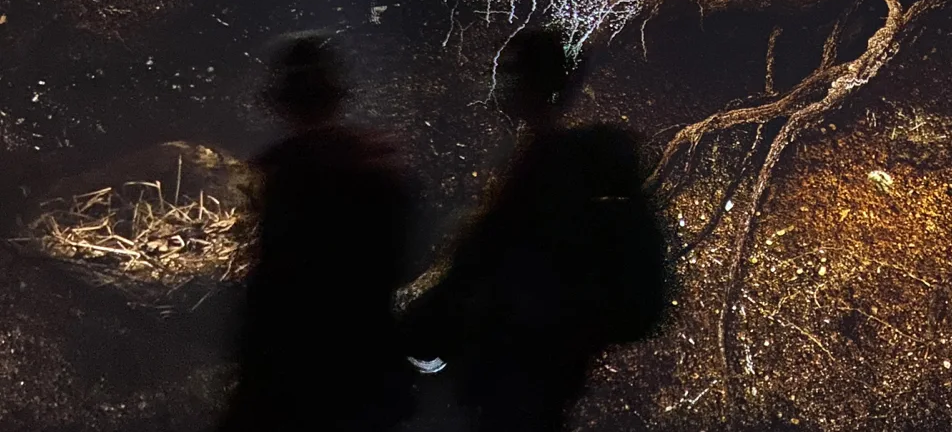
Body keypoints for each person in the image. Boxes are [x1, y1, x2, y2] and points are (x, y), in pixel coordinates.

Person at [403, 28, 667, 432]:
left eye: (511, 69)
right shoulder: (567, 162)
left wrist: (420, 326)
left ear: (532, 80)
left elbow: (485, 257)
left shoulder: (544, 165)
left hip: (519, 357)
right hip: (548, 359)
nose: (501, 80)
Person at [220, 32, 416, 432]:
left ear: (281, 101)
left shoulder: (275, 173)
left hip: (289, 371)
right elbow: (398, 264)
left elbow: (265, 279)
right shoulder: (380, 166)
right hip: (364, 366)